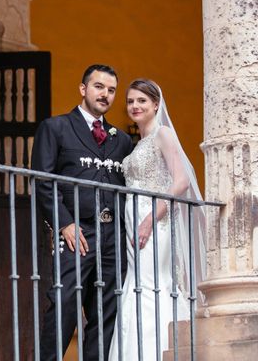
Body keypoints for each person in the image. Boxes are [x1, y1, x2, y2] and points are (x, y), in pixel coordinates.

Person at [32, 64, 133, 360]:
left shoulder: (122, 140)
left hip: (113, 234)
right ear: (83, 89)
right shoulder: (56, 127)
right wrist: (64, 224)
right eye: (99, 87)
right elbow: (43, 180)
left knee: (107, 309)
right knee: (64, 302)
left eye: (111, 90)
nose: (105, 94)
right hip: (77, 231)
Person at [108, 78, 206, 361]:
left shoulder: (163, 134)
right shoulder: (138, 143)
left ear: (155, 104)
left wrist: (150, 219)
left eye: (141, 101)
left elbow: (181, 181)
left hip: (155, 222)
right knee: (137, 284)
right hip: (135, 222)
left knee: (153, 284)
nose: (135, 106)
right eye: (130, 101)